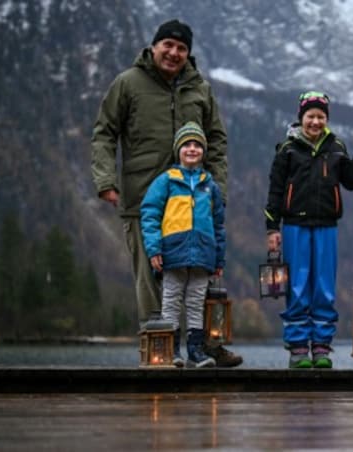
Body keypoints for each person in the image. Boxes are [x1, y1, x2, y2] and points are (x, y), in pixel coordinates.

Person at [91, 19, 242, 367]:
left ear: (188, 53)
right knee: (150, 277)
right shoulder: (127, 83)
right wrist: (105, 180)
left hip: (195, 201)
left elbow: (216, 140)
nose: (173, 53)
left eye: (181, 48)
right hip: (143, 199)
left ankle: (208, 349)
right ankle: (157, 353)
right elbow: (104, 133)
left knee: (200, 272)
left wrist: (216, 187)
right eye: (168, 46)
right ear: (154, 46)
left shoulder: (200, 89)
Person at [265, 91, 353, 369]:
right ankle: (298, 347)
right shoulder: (287, 149)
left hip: (327, 226)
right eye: (310, 116)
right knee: (298, 286)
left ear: (327, 119)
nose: (315, 121)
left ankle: (322, 347)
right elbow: (275, 190)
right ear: (301, 118)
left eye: (320, 117)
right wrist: (272, 227)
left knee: (324, 286)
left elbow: (351, 181)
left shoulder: (336, 147)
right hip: (294, 226)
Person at [140, 122, 225, 368]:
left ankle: (195, 352)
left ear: (203, 151)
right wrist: (154, 248)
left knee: (196, 302)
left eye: (197, 145)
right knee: (171, 300)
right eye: (187, 144)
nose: (192, 149)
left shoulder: (210, 186)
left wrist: (219, 259)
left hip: (203, 255)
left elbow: (219, 225)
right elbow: (150, 214)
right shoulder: (165, 181)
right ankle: (172, 350)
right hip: (172, 252)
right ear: (178, 150)